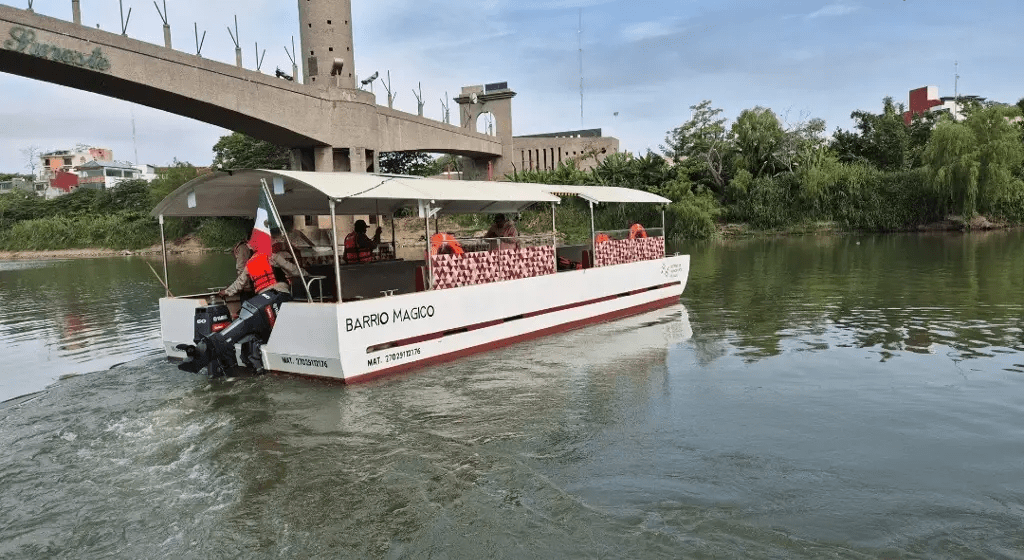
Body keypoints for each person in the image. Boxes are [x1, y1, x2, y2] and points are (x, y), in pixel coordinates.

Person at [177, 236, 308, 377]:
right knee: (250, 324)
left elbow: (238, 284)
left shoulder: (250, 263)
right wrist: (309, 274)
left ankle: (206, 350)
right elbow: (294, 270)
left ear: (252, 248)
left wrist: (225, 292)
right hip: (278, 294)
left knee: (245, 323)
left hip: (262, 299)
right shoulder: (272, 256)